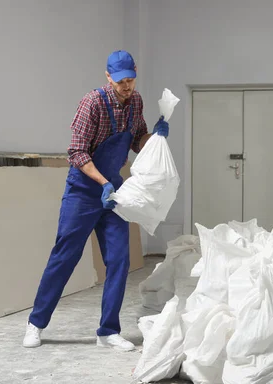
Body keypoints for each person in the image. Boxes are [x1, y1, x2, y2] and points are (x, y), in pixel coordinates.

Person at [22, 50, 169, 351]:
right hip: (83, 190)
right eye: (120, 81)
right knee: (65, 257)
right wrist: (101, 182)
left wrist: (155, 137)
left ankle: (108, 331)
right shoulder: (92, 103)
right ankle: (35, 324)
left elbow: (137, 141)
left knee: (119, 260)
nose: (126, 86)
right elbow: (76, 153)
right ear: (107, 77)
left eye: (130, 80)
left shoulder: (135, 102)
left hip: (112, 191)